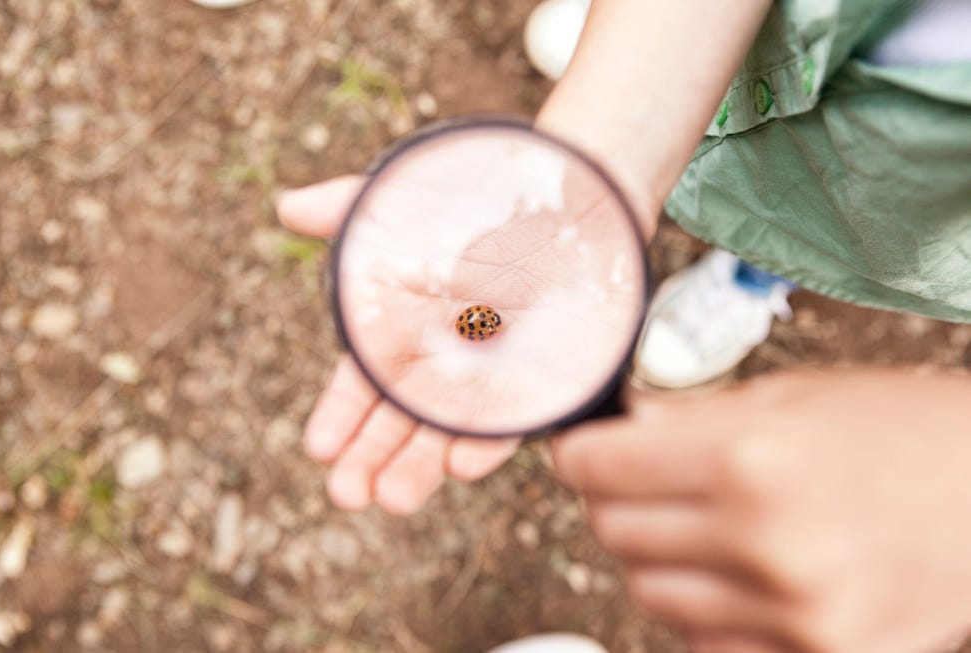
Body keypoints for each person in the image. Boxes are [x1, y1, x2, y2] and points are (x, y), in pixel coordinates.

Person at [278, 0, 971, 652]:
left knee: (833, 216)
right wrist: (609, 136)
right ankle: (645, 56)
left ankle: (757, 269)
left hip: (906, 195)